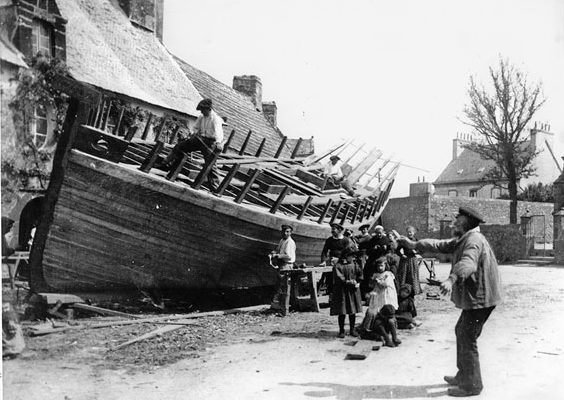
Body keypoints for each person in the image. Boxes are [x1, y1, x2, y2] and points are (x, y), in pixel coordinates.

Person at [398, 206, 502, 397]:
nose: (454, 221)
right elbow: (440, 245)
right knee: (461, 331)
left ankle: (472, 386)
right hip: (479, 297)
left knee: (467, 336)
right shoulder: (465, 237)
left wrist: (451, 279)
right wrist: (413, 245)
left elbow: (468, 264)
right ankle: (464, 375)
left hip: (481, 299)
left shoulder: (473, 241)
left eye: (458, 219)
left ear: (466, 222)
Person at [158, 98, 224, 190]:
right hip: (200, 140)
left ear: (209, 109)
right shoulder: (201, 117)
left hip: (210, 143)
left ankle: (215, 187)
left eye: (203, 110)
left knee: (211, 164)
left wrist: (218, 143)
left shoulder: (215, 119)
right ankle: (167, 165)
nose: (201, 112)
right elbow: (196, 127)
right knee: (180, 147)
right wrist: (193, 133)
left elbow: (219, 133)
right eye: (201, 110)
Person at [329, 248, 363, 338]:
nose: (352, 257)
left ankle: (352, 330)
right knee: (342, 311)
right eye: (351, 256)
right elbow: (339, 277)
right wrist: (347, 281)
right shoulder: (338, 266)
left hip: (352, 291)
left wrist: (357, 281)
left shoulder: (355, 264)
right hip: (342, 291)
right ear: (345, 256)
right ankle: (341, 331)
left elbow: (360, 274)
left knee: (352, 311)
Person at [361, 225, 390, 298]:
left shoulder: (386, 239)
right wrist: (373, 248)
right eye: (377, 233)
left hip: (383, 258)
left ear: (383, 232)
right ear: (375, 233)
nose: (379, 234)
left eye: (380, 233)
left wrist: (386, 248)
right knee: (369, 274)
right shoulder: (372, 240)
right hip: (373, 259)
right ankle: (371, 291)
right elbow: (367, 251)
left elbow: (390, 249)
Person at [396, 226, 423, 297]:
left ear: (414, 233)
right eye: (408, 232)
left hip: (413, 260)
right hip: (405, 260)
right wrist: (402, 255)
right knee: (404, 275)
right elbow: (397, 250)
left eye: (411, 232)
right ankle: (403, 291)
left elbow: (421, 250)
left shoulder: (416, 240)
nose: (410, 233)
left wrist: (416, 251)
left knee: (413, 276)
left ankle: (414, 290)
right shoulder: (404, 240)